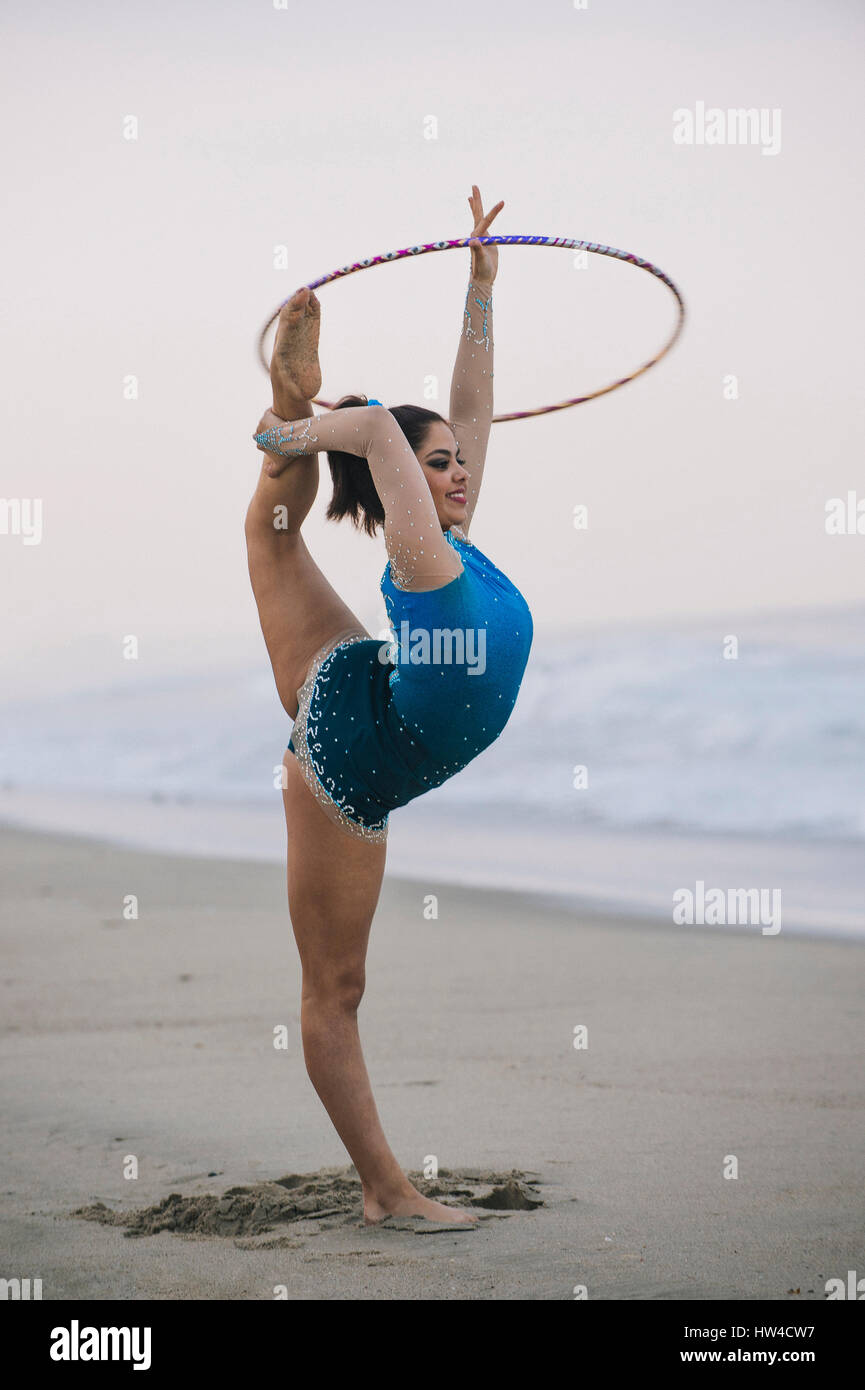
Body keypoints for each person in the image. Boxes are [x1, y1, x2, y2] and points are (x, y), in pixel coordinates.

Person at [245, 187, 532, 1224]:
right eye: (437, 463)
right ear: (407, 482)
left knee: (275, 544)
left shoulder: (453, 536)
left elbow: (471, 407)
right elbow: (376, 433)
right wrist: (306, 421)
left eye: (457, 462)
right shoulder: (421, 557)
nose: (457, 471)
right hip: (346, 760)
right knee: (339, 989)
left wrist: (480, 285)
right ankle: (386, 1192)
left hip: (364, 688)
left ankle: (287, 444)